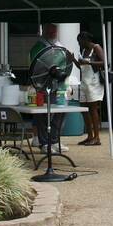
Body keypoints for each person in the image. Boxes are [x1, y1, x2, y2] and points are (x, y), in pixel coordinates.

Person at [29, 23, 73, 153]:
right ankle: (44, 143)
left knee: (60, 114)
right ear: (45, 30)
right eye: (50, 29)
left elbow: (65, 63)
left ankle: (54, 141)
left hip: (60, 86)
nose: (53, 32)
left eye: (55, 30)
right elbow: (36, 66)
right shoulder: (39, 47)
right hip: (43, 86)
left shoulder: (60, 46)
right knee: (43, 115)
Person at [74, 30, 106, 147]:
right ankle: (89, 136)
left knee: (93, 109)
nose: (79, 44)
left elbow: (104, 63)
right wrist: (73, 60)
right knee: (84, 109)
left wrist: (89, 63)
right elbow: (81, 66)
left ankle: (97, 137)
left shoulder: (96, 47)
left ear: (86, 40)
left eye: (80, 42)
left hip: (94, 82)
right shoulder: (83, 50)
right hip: (84, 82)